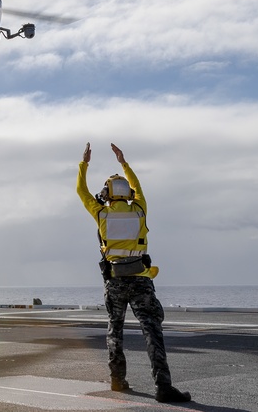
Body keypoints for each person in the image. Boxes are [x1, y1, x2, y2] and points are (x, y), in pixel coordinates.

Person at [77, 142, 191, 404]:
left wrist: (84, 164)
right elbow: (139, 187)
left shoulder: (101, 213)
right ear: (127, 193)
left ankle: (117, 380)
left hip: (115, 280)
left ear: (107, 193)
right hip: (141, 279)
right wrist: (124, 163)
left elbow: (80, 191)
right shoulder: (139, 210)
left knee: (114, 330)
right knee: (152, 330)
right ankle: (163, 386)